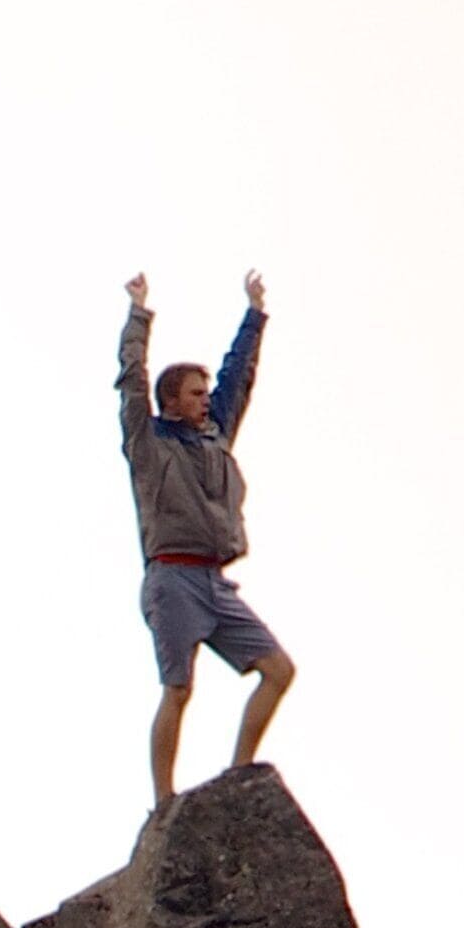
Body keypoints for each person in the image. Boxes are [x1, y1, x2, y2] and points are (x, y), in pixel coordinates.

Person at [117, 268, 296, 803]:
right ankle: (165, 802)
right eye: (195, 393)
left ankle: (240, 774)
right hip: (172, 577)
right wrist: (138, 315)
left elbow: (238, 375)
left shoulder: (214, 435)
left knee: (278, 669)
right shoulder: (148, 442)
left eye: (204, 392)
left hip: (215, 581)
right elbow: (130, 382)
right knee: (178, 689)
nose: (205, 399)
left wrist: (254, 314)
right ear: (171, 400)